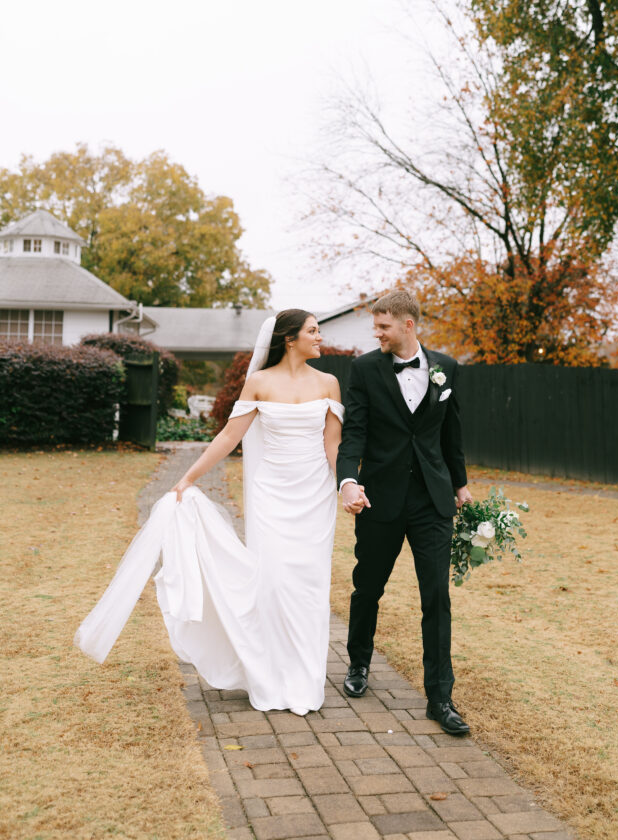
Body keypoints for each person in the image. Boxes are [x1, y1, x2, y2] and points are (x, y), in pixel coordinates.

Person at [75, 309, 343, 717]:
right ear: (290, 339)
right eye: (313, 331)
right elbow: (230, 436)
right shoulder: (259, 383)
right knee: (272, 585)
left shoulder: (329, 383)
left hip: (314, 497)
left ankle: (305, 683)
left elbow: (332, 446)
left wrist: (346, 485)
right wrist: (189, 478)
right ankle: (269, 679)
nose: (320, 337)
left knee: (308, 588)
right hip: (272, 496)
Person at [336, 289, 473, 735]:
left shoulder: (446, 368)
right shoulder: (364, 370)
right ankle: (358, 666)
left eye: (383, 327)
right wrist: (349, 480)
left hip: (433, 502)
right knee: (367, 588)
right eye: (375, 327)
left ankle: (440, 697)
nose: (376, 334)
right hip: (381, 498)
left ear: (408, 325)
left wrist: (460, 485)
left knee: (437, 597)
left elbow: (451, 433)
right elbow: (353, 431)